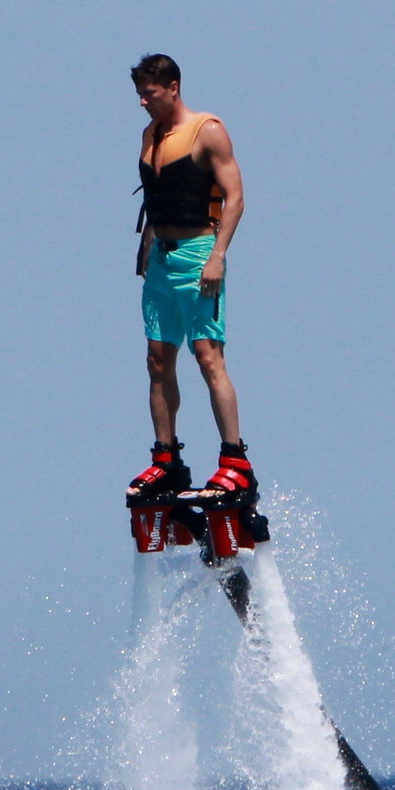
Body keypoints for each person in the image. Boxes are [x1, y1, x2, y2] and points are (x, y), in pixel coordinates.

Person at [126, 53, 256, 508]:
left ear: (174, 87)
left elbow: (236, 196)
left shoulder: (207, 131)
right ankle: (166, 459)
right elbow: (159, 197)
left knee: (207, 356)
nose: (143, 101)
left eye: (151, 93)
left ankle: (236, 462)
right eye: (139, 93)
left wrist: (219, 256)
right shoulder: (149, 135)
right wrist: (147, 245)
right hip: (161, 259)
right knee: (157, 359)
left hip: (201, 255)